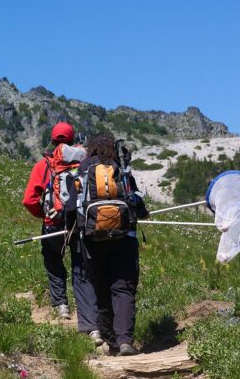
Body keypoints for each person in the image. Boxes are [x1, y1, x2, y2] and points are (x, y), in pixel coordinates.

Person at [65, 133, 150, 356]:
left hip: (93, 239)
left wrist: (70, 230)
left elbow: (71, 207)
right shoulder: (120, 167)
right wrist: (143, 213)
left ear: (90, 148)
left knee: (101, 288)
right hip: (124, 237)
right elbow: (135, 200)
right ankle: (125, 341)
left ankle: (111, 343)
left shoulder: (83, 168)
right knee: (123, 287)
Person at [22, 122, 101, 345]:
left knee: (53, 260)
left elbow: (28, 200)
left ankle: (61, 306)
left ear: (53, 139)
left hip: (53, 223)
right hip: (79, 222)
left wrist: (44, 214)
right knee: (81, 268)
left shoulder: (44, 165)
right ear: (74, 138)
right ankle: (91, 324)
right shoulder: (85, 162)